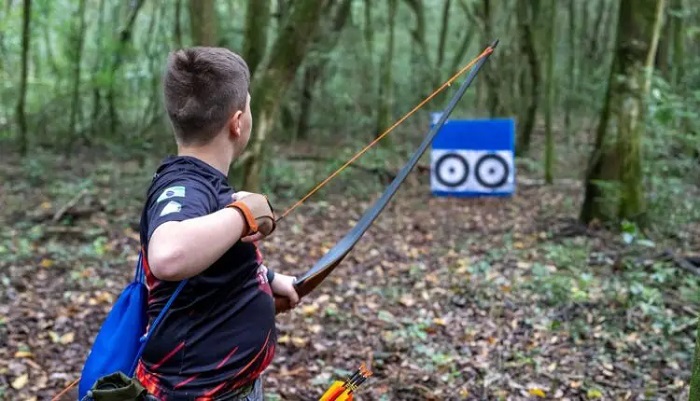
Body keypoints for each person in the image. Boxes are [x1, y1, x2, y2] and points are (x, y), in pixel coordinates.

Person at [134, 47, 300, 401]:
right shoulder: (184, 185)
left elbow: (209, 265)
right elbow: (168, 256)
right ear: (238, 122)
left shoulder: (203, 185)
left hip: (231, 388)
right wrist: (243, 215)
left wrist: (269, 281)